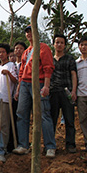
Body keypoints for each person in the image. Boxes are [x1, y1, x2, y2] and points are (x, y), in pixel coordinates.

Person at [13, 25, 56, 157]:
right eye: (27, 32)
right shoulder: (26, 51)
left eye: (31, 31)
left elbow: (48, 67)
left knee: (43, 114)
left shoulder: (44, 48)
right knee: (21, 114)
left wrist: (46, 86)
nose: (29, 34)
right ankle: (23, 145)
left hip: (39, 83)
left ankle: (50, 146)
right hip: (25, 84)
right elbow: (21, 71)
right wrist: (19, 89)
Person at [50, 34, 78, 153]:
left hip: (66, 92)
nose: (59, 44)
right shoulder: (49, 60)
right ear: (53, 44)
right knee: (52, 119)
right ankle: (50, 144)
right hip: (53, 92)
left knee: (69, 119)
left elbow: (73, 75)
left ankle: (70, 144)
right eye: (57, 42)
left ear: (65, 45)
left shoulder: (70, 59)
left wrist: (73, 91)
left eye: (61, 42)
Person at [0, 43, 17, 154]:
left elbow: (16, 81)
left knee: (4, 125)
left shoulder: (11, 65)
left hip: (5, 99)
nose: (1, 54)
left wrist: (8, 74)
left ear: (7, 53)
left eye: (3, 52)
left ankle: (4, 148)